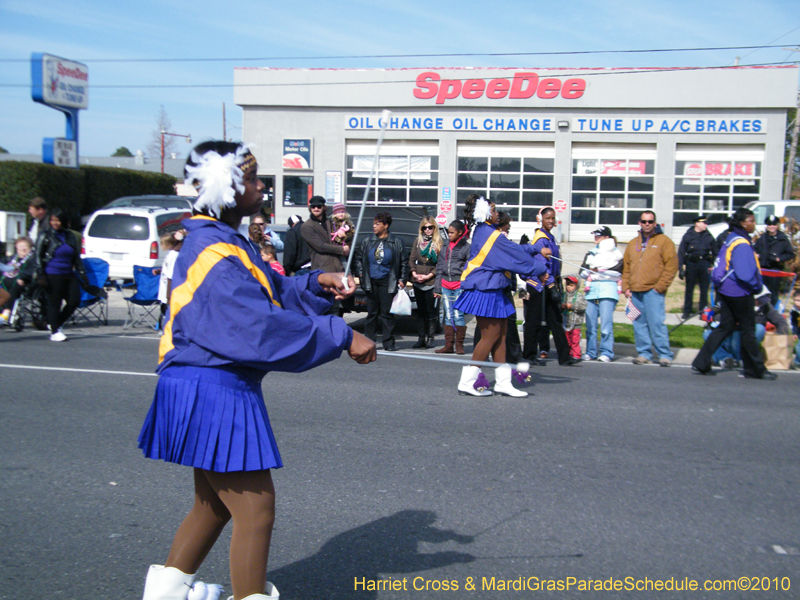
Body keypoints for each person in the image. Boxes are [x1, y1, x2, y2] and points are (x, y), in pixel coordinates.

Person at [137, 140, 376, 600]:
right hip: (211, 387)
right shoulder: (210, 247)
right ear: (223, 187)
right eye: (250, 177)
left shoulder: (224, 242)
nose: (261, 184)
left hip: (206, 382)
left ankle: (165, 593)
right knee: (256, 511)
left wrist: (318, 283)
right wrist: (341, 335)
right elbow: (256, 327)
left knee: (212, 506)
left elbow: (270, 291)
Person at [454, 195, 546, 398]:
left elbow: (513, 249)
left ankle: (503, 383)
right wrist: (540, 268)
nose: (497, 214)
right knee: (490, 337)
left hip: (493, 289)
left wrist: (534, 248)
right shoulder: (491, 235)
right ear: (485, 214)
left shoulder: (486, 231)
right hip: (485, 290)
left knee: (501, 336)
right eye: (494, 210)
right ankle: (467, 382)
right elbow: (516, 257)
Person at [692, 208, 776, 379]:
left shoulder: (732, 238)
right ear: (743, 223)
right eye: (751, 221)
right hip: (740, 291)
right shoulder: (743, 244)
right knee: (748, 330)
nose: (754, 224)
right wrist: (757, 286)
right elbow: (745, 274)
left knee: (725, 327)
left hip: (726, 290)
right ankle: (755, 369)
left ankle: (701, 362)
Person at [522, 206, 579, 367]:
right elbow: (542, 265)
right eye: (548, 218)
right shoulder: (540, 238)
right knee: (533, 321)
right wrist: (552, 284)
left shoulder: (550, 237)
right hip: (538, 284)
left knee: (555, 320)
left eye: (553, 218)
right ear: (541, 219)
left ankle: (564, 356)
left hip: (550, 283)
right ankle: (529, 355)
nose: (551, 221)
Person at [621, 210, 678, 367]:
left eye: (650, 221)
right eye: (644, 221)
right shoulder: (633, 243)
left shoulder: (664, 241)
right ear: (639, 223)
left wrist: (660, 287)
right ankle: (644, 353)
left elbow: (671, 267)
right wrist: (626, 286)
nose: (647, 224)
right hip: (635, 291)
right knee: (639, 324)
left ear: (655, 223)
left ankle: (664, 354)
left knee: (656, 323)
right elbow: (626, 267)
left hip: (653, 291)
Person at [352, 212, 408, 352]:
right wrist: (360, 272)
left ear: (386, 225)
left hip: (387, 281)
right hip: (371, 282)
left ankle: (388, 342)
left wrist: (402, 279)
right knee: (372, 314)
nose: (374, 227)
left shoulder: (396, 242)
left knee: (387, 314)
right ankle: (369, 341)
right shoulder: (367, 241)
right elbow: (358, 258)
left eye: (377, 224)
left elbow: (404, 262)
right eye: (373, 224)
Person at [702, 285, 791, 368]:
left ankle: (740, 359)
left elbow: (780, 321)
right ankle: (725, 359)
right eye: (758, 299)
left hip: (744, 339)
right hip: (729, 335)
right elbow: (719, 316)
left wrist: (782, 332)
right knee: (707, 334)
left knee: (759, 328)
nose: (760, 301)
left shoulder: (765, 307)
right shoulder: (737, 303)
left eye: (762, 298)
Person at [34, 208, 87, 342]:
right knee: (54, 303)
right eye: (52, 220)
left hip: (68, 273)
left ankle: (56, 323)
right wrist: (41, 274)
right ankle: (55, 332)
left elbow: (76, 257)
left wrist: (82, 272)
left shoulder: (70, 236)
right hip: (52, 273)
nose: (55, 223)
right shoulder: (44, 235)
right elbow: (38, 256)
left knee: (75, 300)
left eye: (57, 220)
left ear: (63, 221)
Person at [579, 226, 622, 362]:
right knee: (591, 325)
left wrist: (599, 271)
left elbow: (618, 273)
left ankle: (607, 352)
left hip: (608, 291)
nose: (596, 238)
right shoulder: (591, 253)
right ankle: (591, 351)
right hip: (591, 292)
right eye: (595, 235)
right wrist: (592, 271)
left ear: (607, 238)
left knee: (606, 325)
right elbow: (582, 272)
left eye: (599, 235)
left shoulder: (616, 253)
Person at [434, 219, 470, 354]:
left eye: (452, 233)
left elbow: (469, 268)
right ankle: (448, 345)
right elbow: (439, 267)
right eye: (448, 233)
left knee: (458, 314)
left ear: (460, 233)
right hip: (445, 284)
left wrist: (466, 284)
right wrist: (437, 288)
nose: (449, 235)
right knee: (448, 315)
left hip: (459, 285)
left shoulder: (467, 247)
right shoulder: (445, 246)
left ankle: (459, 345)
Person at [409, 216, 443, 348]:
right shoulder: (418, 241)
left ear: (434, 228)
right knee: (421, 311)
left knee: (431, 311)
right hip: (418, 281)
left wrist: (429, 275)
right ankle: (421, 337)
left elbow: (440, 264)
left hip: (431, 282)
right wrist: (413, 273)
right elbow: (411, 259)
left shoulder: (439, 243)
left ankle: (430, 337)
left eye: (430, 227)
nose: (427, 230)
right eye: (425, 228)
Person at [678, 216, 716, 319]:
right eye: (704, 222)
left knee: (704, 290)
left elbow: (716, 252)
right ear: (697, 223)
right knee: (689, 289)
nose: (706, 224)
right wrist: (680, 267)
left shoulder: (709, 236)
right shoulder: (688, 235)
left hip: (705, 264)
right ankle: (687, 311)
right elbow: (681, 252)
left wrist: (714, 264)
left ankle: (702, 311)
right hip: (692, 264)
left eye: (707, 223)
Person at [753, 214, 795, 304]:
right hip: (763, 269)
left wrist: (779, 259)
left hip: (775, 269)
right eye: (769, 224)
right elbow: (755, 250)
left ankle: (772, 312)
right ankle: (762, 311)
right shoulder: (762, 238)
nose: (771, 226)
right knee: (761, 292)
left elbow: (790, 254)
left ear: (777, 225)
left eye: (774, 224)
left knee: (773, 293)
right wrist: (756, 255)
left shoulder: (782, 239)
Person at [301, 196, 348, 273]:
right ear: (310, 208)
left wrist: (345, 240)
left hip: (338, 266)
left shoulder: (330, 221)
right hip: (321, 268)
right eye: (313, 206)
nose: (316, 209)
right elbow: (320, 246)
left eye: (319, 206)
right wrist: (342, 249)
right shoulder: (307, 226)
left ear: (324, 207)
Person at [0, 236, 35, 324]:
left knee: (15, 286)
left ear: (30, 248)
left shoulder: (32, 259)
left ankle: (6, 312)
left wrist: (23, 278)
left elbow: (31, 271)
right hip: (5, 282)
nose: (22, 249)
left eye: (24, 247)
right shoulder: (11, 258)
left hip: (23, 283)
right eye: (19, 247)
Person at [157, 232, 183, 329]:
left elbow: (171, 276)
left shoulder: (174, 255)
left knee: (168, 311)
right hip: (164, 286)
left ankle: (169, 328)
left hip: (168, 289)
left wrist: (169, 296)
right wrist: (160, 271)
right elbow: (167, 268)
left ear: (169, 244)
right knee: (164, 309)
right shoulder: (171, 254)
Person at [561, 275, 586, 360]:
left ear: (576, 286)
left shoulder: (579, 296)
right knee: (566, 339)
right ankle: (567, 354)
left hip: (576, 322)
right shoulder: (564, 296)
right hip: (566, 321)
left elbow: (583, 307)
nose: (569, 287)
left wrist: (571, 306)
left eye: (571, 285)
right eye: (567, 285)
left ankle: (576, 355)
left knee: (575, 340)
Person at [791, 289, 800, 367]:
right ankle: (797, 361)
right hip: (799, 331)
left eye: (798, 300)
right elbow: (794, 323)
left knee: (798, 345)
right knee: (798, 345)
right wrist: (795, 333)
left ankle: (798, 361)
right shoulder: (794, 310)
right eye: (795, 300)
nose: (796, 302)